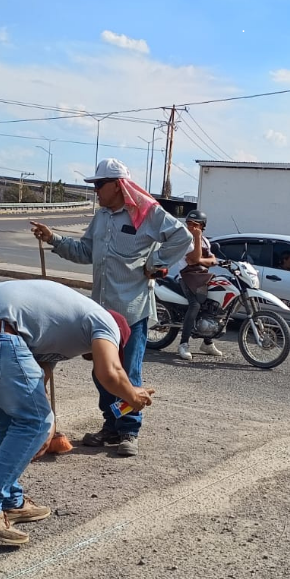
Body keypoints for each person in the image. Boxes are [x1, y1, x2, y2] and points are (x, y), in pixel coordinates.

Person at [0, 279, 154, 545]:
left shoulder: (63, 328)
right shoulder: (107, 322)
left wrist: (47, 423)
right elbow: (111, 373)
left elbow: (37, 379)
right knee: (32, 423)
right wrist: (133, 397)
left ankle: (11, 500)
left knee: (13, 422)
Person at [30, 158, 191, 457]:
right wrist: (54, 239)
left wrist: (155, 262)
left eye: (100, 184)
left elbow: (183, 238)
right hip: (102, 313)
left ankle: (129, 429)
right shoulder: (102, 217)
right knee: (102, 373)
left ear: (118, 186)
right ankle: (112, 425)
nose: (96, 190)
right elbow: (84, 252)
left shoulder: (146, 212)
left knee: (127, 373)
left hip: (132, 311)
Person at [169, 210, 222, 361]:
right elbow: (193, 259)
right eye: (188, 224)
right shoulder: (185, 240)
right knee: (195, 305)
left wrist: (201, 260)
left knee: (212, 305)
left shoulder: (206, 241)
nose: (190, 227)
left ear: (202, 225)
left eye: (194, 224)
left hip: (201, 276)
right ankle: (183, 344)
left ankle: (207, 343)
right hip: (186, 276)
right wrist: (197, 239)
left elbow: (213, 260)